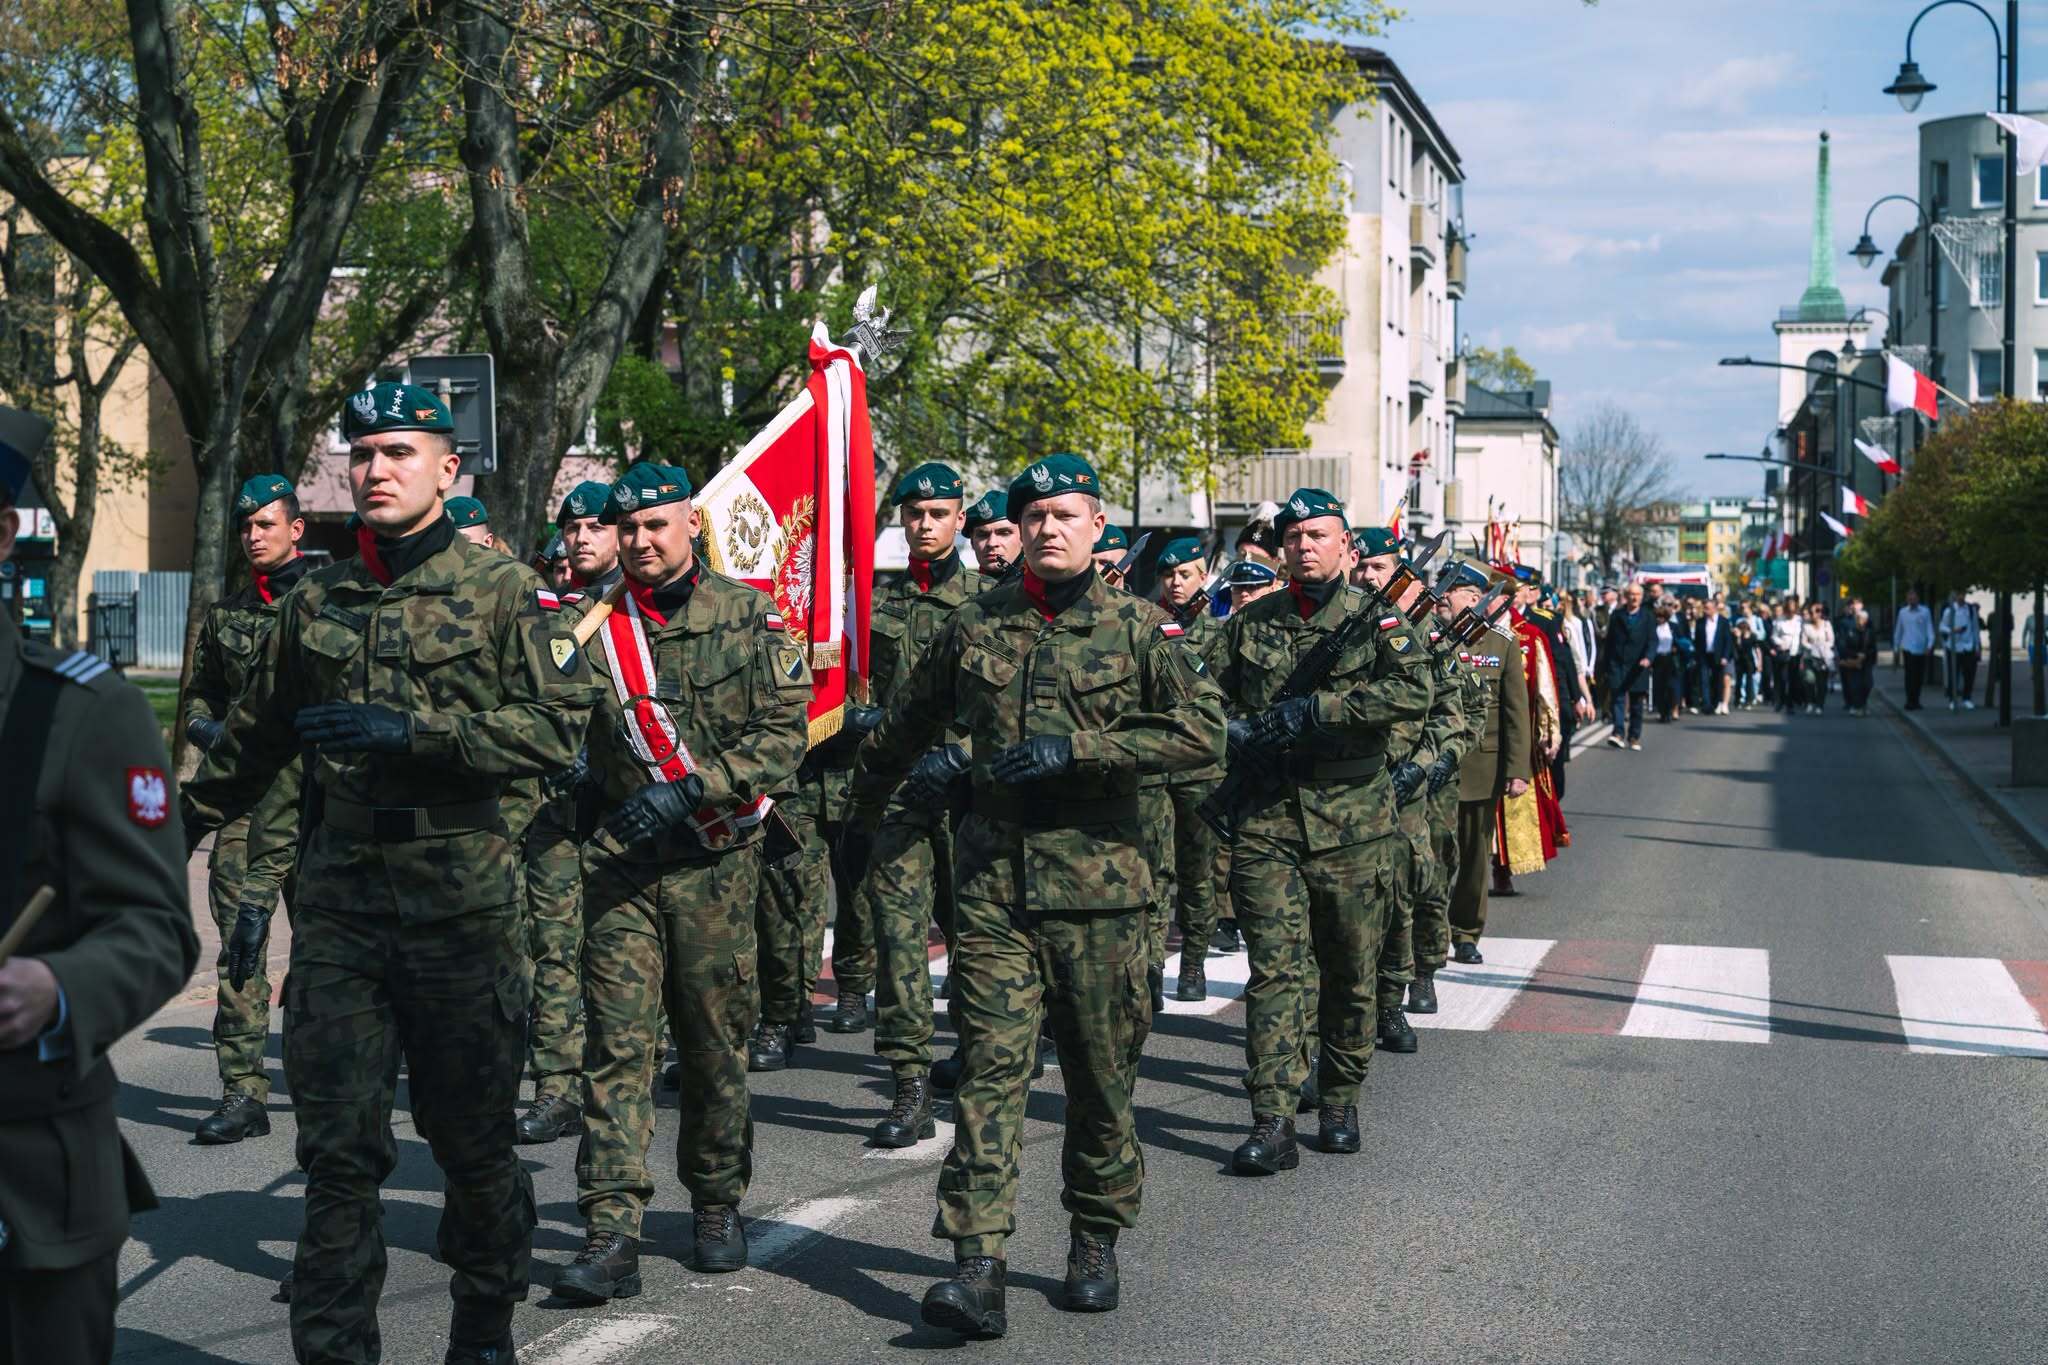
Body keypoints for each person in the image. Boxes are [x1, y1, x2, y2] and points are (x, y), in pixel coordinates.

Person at [181, 383, 599, 1363]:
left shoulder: (505, 591)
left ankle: (483, 1328)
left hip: (462, 907)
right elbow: (249, 743)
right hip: (340, 913)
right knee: (336, 1154)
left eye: (399, 452)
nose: (375, 470)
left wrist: (416, 734)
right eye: (363, 453)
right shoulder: (316, 598)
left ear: (447, 469)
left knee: (472, 1147)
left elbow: (556, 729)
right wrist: (165, 836)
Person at [842, 452, 1225, 1336]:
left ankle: (1094, 1236)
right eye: (1035, 514)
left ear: (1097, 527)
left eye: (1066, 514)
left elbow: (1205, 735)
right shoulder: (975, 626)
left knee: (1099, 1079)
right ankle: (976, 1265)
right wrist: (863, 821)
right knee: (989, 1073)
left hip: (1104, 897)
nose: (1049, 528)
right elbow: (904, 726)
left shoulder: (1138, 630)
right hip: (993, 893)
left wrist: (1084, 750)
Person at [553, 461, 809, 1304]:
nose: (639, 541)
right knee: (618, 1044)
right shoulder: (589, 628)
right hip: (621, 869)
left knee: (711, 1043)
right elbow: (547, 729)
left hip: (713, 864)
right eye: (626, 528)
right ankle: (610, 1225)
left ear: (691, 523)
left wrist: (695, 786)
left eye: (655, 524)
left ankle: (714, 1200)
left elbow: (784, 738)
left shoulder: (748, 613)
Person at [0, 453, 199, 1362]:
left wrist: (56, 984)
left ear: (2, 537)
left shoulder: (76, 712)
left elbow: (156, 926)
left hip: (27, 1182)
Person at [1212, 488, 1430, 1173]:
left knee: (1348, 967)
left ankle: (1338, 1095)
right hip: (1268, 819)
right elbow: (1197, 690)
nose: (1305, 545)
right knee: (1275, 969)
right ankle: (1272, 1118)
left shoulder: (1378, 620)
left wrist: (1324, 709)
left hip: (1352, 820)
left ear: (1345, 546)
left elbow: (1416, 691)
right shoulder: (1252, 623)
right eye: (1294, 535)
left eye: (1318, 534)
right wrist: (1231, 729)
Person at [842, 461, 980, 1146]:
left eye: (938, 513)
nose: (924, 524)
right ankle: (908, 1086)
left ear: (961, 517)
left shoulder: (992, 603)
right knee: (898, 943)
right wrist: (858, 719)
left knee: (977, 940)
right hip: (899, 795)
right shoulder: (877, 606)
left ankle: (981, 1063)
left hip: (966, 795)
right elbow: (850, 689)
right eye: (913, 513)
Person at [181, 473, 307, 1145]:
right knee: (241, 946)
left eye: (266, 523)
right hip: (241, 807)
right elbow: (197, 696)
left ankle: (330, 1079)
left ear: (296, 529)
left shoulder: (325, 605)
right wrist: (208, 733)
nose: (254, 535)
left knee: (323, 952)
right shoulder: (225, 615)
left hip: (316, 810)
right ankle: (242, 1089)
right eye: (246, 526)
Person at [513, 480, 621, 1146]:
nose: (582, 537)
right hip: (554, 809)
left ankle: (623, 1070)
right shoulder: (543, 612)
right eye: (572, 527)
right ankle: (556, 1087)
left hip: (627, 813)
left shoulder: (639, 611)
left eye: (596, 526)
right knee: (552, 950)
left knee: (621, 954)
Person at [1352, 528, 1463, 1055]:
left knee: (1400, 896)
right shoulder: (1345, 626)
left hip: (1403, 792)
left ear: (1400, 574)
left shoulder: (1426, 638)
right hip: (1345, 790)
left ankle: (1393, 997)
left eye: (1378, 568)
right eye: (1363, 567)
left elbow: (1450, 719)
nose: (1368, 577)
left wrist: (1419, 769)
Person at [1153, 536, 1225, 1001]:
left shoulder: (1219, 633)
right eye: (1169, 575)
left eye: (1185, 575)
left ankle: (1194, 963)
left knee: (1199, 873)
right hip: (1155, 769)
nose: (1176, 583)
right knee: (1155, 872)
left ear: (1203, 578)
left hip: (1200, 770)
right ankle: (1152, 968)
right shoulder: (1146, 624)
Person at [1602, 583, 1653, 749]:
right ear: (1625, 595)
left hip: (1638, 666)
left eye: (1637, 594)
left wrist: (1648, 658)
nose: (1634, 597)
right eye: (1631, 594)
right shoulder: (1617, 615)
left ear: (1642, 596)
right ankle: (1618, 732)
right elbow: (1609, 641)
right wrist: (1606, 664)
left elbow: (1653, 641)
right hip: (1618, 664)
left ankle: (1634, 736)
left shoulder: (1647, 616)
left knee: (1637, 704)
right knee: (1617, 699)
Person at [964, 489, 1019, 585]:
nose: (991, 543)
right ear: (972, 542)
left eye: (1004, 533)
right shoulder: (960, 591)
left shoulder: (1046, 586)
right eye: (983, 535)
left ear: (1023, 537)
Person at [1939, 589, 1982, 712]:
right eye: (1958, 594)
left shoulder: (1970, 609)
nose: (1961, 597)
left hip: (1968, 645)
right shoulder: (1949, 610)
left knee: (1969, 673)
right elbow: (1942, 626)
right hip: (1953, 646)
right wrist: (1953, 630)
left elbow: (1975, 628)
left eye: (1963, 594)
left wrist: (1977, 646)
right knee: (1953, 673)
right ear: (1955, 596)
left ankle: (1967, 698)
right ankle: (1952, 700)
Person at [1893, 587, 1934, 711]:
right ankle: (1909, 701)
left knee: (1919, 676)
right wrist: (1896, 647)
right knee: (1910, 675)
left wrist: (1929, 645)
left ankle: (1916, 700)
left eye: (1914, 597)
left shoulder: (1925, 612)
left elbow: (1930, 630)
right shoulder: (1903, 612)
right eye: (1909, 598)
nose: (1911, 600)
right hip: (1908, 647)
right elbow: (1898, 631)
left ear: (1918, 599)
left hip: (1921, 648)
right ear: (1907, 599)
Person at [1836, 602, 1877, 716]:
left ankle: (1862, 704)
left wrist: (1866, 655)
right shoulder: (1850, 632)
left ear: (1866, 620)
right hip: (1852, 662)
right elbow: (1844, 646)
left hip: (1866, 662)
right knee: (1855, 685)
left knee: (1868, 684)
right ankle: (1857, 706)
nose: (1860, 621)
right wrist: (1855, 655)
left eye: (1863, 619)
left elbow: (1873, 648)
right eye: (1858, 618)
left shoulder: (1870, 633)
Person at [1695, 597, 1734, 716]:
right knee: (1704, 679)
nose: (1705, 611)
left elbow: (1728, 641)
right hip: (1704, 655)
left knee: (1717, 681)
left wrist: (1725, 657)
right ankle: (1707, 705)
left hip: (1718, 656)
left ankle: (1717, 702)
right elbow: (1697, 640)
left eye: (1708, 608)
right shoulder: (1700, 622)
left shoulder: (1723, 621)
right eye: (1704, 608)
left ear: (1714, 608)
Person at [1798, 603, 1835, 715]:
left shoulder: (1826, 624)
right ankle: (1810, 702)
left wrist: (1823, 647)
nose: (1815, 614)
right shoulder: (1806, 626)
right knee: (1809, 679)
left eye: (1817, 611)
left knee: (1821, 683)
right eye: (1812, 612)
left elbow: (1831, 640)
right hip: (1810, 657)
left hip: (1823, 657)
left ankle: (1820, 705)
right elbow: (1803, 641)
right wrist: (1813, 647)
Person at [1771, 598, 1805, 712]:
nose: (1791, 613)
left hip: (1796, 653)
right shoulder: (1779, 621)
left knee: (1793, 680)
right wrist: (1780, 643)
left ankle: (1790, 703)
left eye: (1793, 611)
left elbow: (1803, 636)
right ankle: (1780, 701)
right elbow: (1774, 636)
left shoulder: (1800, 620)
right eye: (1789, 611)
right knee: (1783, 679)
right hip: (1784, 653)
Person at [1092, 523, 1130, 588]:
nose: (1095, 569)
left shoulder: (1132, 598)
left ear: (1126, 567)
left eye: (1105, 563)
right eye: (1089, 563)